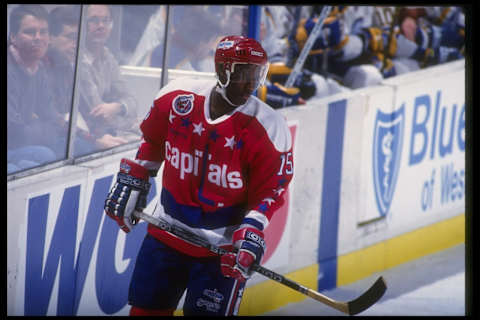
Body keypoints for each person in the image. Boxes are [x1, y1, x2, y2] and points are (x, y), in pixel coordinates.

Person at [103, 35, 294, 316]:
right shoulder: (178, 97)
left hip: (219, 253)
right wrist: (138, 176)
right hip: (164, 235)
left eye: (257, 74)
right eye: (243, 74)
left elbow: (271, 190)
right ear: (221, 71)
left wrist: (253, 227)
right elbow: (153, 141)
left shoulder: (270, 127)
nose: (251, 83)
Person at [7, 4, 64, 173]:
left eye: (43, 32)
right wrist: (41, 125)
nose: (38, 38)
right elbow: (15, 132)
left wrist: (36, 124)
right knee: (41, 159)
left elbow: (52, 116)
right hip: (12, 144)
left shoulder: (39, 68)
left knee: (58, 152)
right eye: (30, 32)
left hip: (20, 143)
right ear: (13, 37)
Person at [76, 4, 139, 155]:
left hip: (113, 130)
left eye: (106, 20)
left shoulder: (106, 55)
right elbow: (99, 114)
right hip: (94, 135)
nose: (101, 26)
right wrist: (129, 119)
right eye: (94, 20)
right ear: (82, 24)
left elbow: (132, 100)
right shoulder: (78, 58)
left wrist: (118, 107)